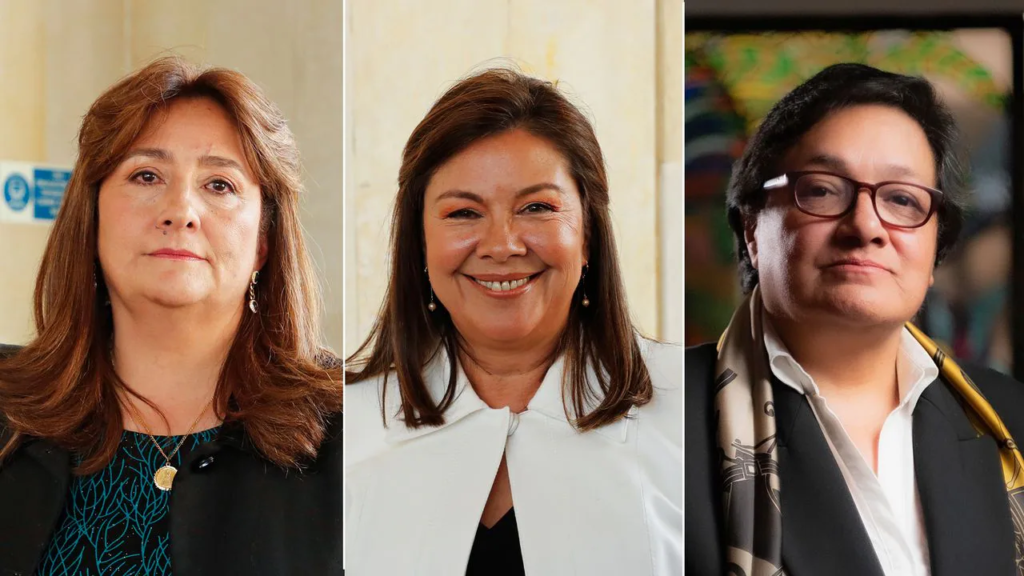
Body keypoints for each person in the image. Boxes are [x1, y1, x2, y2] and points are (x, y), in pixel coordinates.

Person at [0, 56, 343, 575]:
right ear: (91, 217)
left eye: (219, 185)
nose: (180, 211)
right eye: (146, 176)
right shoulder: (8, 409)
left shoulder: (352, 430)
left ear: (264, 241)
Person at [685, 63, 1024, 576]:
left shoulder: (1009, 418)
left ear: (935, 250)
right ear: (752, 227)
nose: (866, 226)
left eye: (902, 200)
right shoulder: (655, 420)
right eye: (823, 190)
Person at [345, 68, 682, 575]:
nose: (502, 245)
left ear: (588, 234)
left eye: (537, 207)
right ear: (419, 243)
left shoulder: (694, 408)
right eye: (463, 213)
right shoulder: (340, 427)